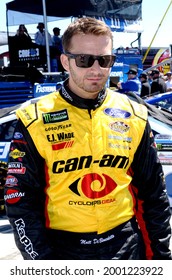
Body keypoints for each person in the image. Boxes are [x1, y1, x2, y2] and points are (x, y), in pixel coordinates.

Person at [4, 17, 171, 260]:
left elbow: (153, 195)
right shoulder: (34, 118)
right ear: (65, 61)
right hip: (61, 250)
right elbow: (20, 202)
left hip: (125, 246)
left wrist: (161, 259)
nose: (95, 69)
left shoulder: (135, 114)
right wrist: (41, 264)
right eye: (84, 59)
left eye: (104, 60)